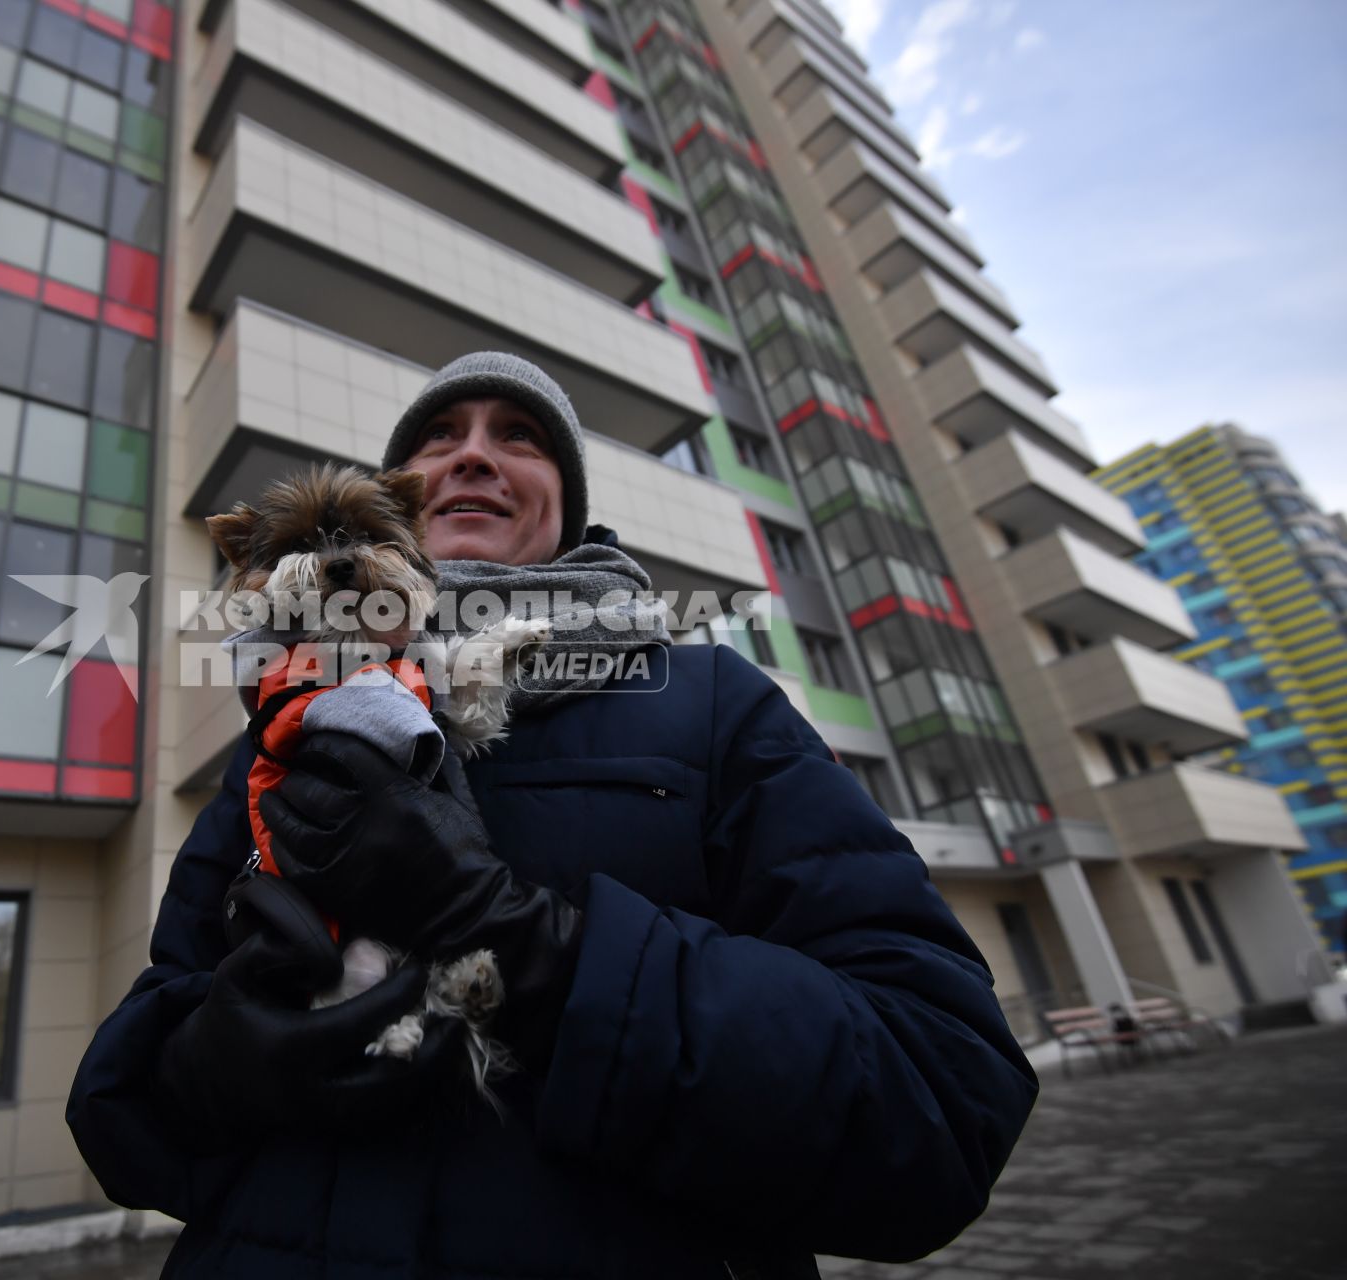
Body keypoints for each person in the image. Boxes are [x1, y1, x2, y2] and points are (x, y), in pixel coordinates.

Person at [67, 352, 1038, 1278]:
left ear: (566, 508)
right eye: (438, 433)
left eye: (520, 434)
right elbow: (129, 1106)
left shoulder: (706, 701)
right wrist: (213, 1062)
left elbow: (941, 1097)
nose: (473, 451)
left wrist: (527, 944)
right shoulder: (288, 726)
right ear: (398, 503)